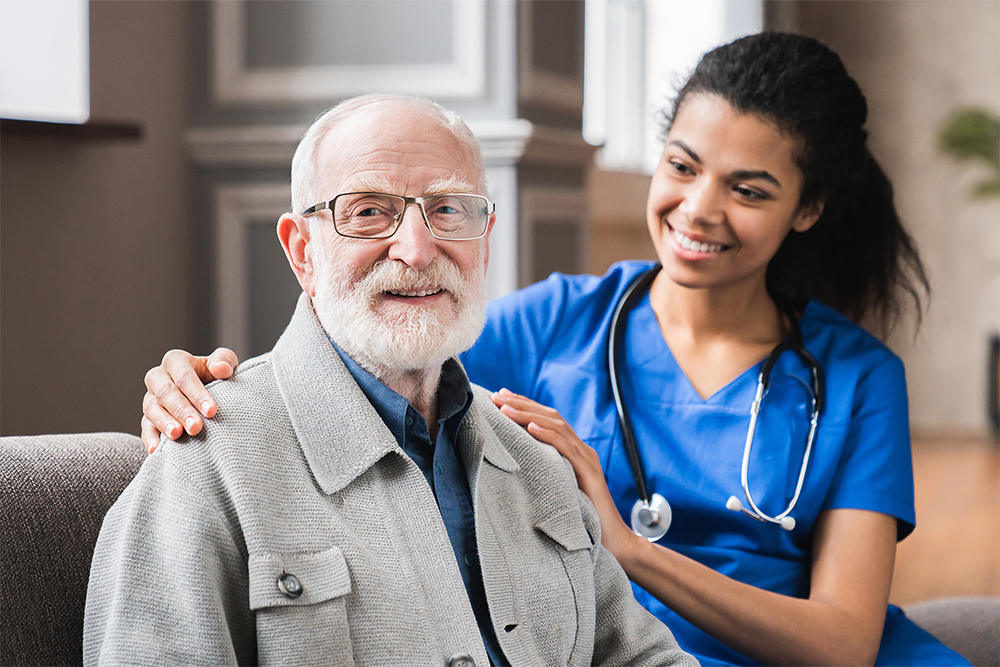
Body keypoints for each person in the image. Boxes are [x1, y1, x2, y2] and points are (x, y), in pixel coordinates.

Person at [137, 34, 974, 667]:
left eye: (749, 189)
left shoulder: (859, 377)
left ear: (807, 209)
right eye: (682, 165)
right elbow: (375, 357)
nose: (699, 209)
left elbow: (842, 640)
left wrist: (628, 547)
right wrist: (206, 391)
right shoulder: (554, 324)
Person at [85, 94, 697, 667]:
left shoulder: (535, 460)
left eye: (448, 210)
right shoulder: (208, 460)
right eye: (369, 212)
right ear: (302, 250)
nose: (417, 248)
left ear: (483, 242)